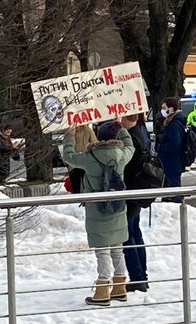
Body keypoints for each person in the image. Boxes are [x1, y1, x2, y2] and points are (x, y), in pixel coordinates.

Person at [62, 120, 135, 306]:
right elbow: (130, 147)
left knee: (102, 250)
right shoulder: (121, 155)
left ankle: (102, 290)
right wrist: (122, 128)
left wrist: (69, 135)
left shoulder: (90, 156)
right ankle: (120, 287)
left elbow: (69, 156)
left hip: (97, 209)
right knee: (117, 249)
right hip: (118, 207)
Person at [121, 114, 149, 292]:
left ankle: (137, 277)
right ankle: (142, 275)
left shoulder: (130, 137)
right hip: (138, 190)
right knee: (135, 233)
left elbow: (125, 165)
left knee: (128, 236)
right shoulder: (142, 131)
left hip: (130, 191)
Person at [158, 97, 186, 203]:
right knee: (170, 188)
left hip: (173, 162)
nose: (162, 110)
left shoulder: (174, 124)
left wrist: (162, 147)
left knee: (174, 188)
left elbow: (175, 143)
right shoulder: (170, 122)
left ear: (171, 109)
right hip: (171, 162)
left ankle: (177, 208)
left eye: (164, 108)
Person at [68, 125, 98, 194]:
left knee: (86, 185)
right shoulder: (71, 131)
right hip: (74, 162)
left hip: (85, 161)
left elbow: (95, 143)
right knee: (75, 186)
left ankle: (85, 201)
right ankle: (76, 201)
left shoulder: (88, 130)